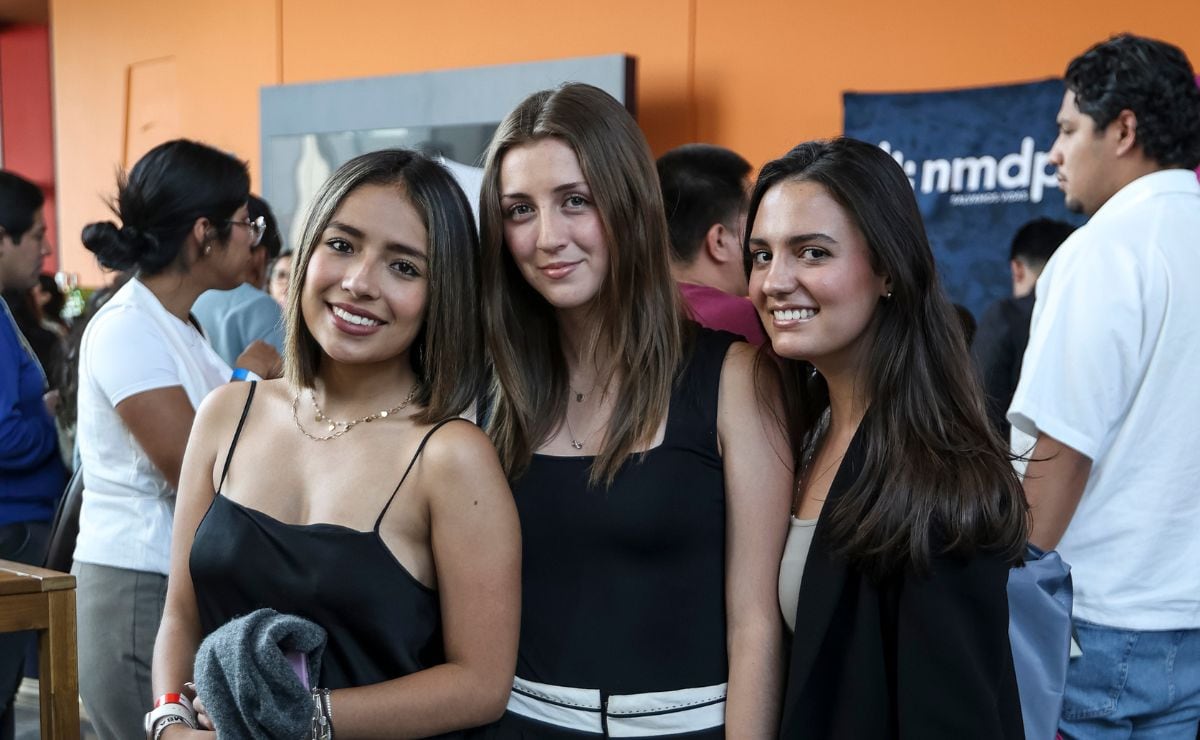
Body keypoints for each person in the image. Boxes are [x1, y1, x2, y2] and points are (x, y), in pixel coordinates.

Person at [152, 149, 520, 739]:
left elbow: (480, 683)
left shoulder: (451, 456)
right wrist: (169, 722)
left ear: (442, 292)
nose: (358, 283)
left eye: (404, 267)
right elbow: (180, 612)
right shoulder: (229, 412)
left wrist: (300, 721)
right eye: (342, 245)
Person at [476, 83, 791, 738]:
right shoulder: (493, 389)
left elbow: (757, 625)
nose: (547, 237)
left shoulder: (735, 379)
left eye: (575, 201)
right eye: (518, 210)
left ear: (628, 201)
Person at [746, 138, 1027, 738]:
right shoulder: (806, 429)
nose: (775, 281)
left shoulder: (937, 475)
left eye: (812, 253)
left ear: (889, 272)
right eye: (761, 255)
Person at [1009, 34, 1200, 738]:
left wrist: (1003, 595)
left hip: (1096, 627)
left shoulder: (1104, 251)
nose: (1054, 152)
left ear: (1123, 129)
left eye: (1065, 129)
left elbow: (1059, 452)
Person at [73, 139, 280, 740]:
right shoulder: (127, 329)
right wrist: (247, 379)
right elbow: (192, 469)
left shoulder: (179, 325)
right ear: (203, 233)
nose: (254, 238)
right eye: (246, 223)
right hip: (136, 585)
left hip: (175, 581)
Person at [0, 170, 66, 740]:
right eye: (36, 234)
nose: (46, 247)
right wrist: (55, 424)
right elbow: (3, 437)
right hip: (14, 528)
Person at [971, 218, 1074, 436]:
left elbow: (978, 409)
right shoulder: (1093, 316)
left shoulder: (1005, 317)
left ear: (1017, 269)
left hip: (1012, 463)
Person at [657, 143, 766, 345]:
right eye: (753, 221)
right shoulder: (742, 318)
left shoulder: (628, 312)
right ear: (718, 240)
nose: (761, 234)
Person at [192, 194, 285, 365]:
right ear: (261, 256)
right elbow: (286, 387)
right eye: (245, 224)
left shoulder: (191, 296)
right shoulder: (261, 306)